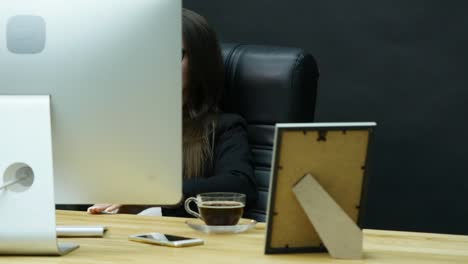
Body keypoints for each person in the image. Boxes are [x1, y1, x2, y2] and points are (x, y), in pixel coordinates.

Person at [88, 9, 257, 217]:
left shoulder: (224, 127)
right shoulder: (119, 124)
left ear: (200, 63)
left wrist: (155, 196)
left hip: (179, 243)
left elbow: (240, 186)